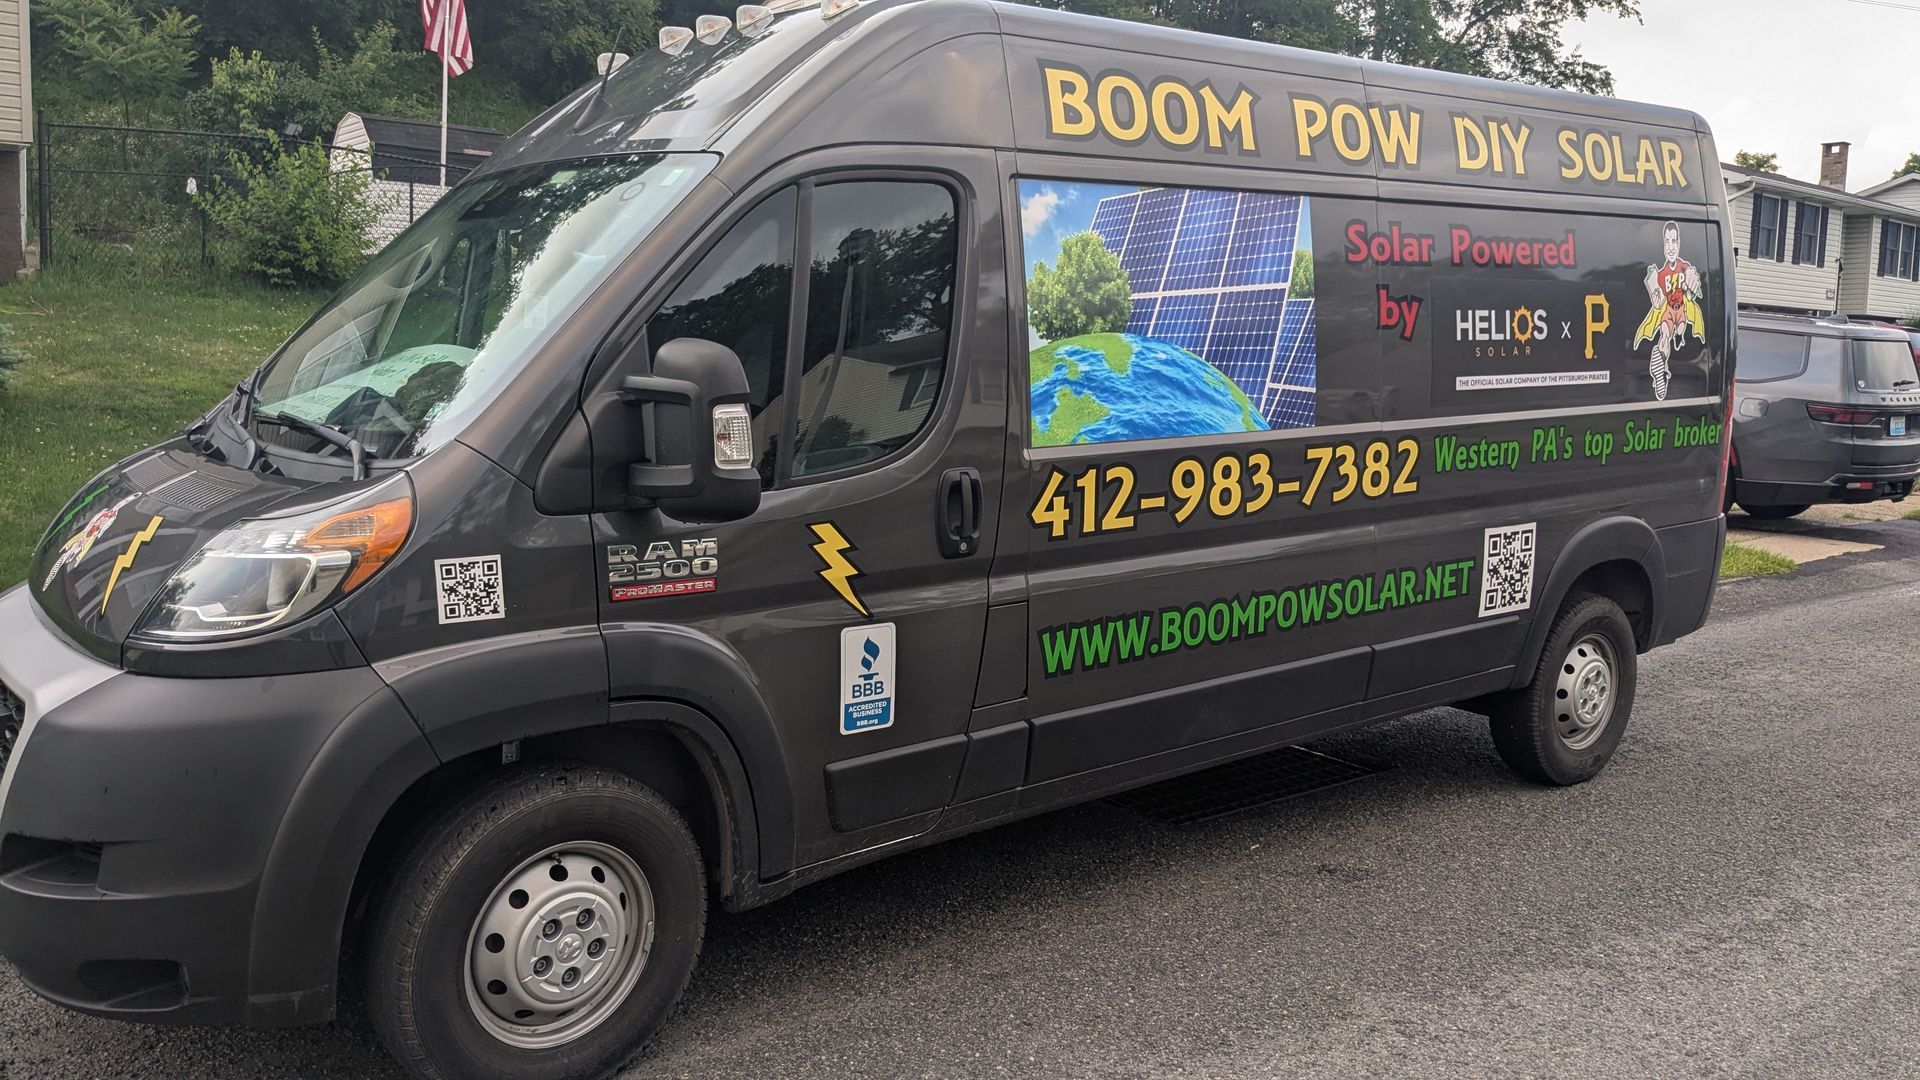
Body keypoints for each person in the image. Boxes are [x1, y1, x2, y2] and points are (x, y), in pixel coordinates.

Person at [1633, 220, 1706, 401]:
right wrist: (1653, 290)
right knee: (1664, 334)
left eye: (1674, 241)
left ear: (1679, 244)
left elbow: (1693, 292)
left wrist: (1692, 285)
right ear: (1664, 245)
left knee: (1680, 331)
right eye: (1667, 242)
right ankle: (1660, 368)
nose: (1671, 246)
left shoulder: (1684, 267)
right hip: (1667, 310)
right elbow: (1657, 301)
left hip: (1682, 310)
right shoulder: (1661, 273)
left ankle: (1675, 342)